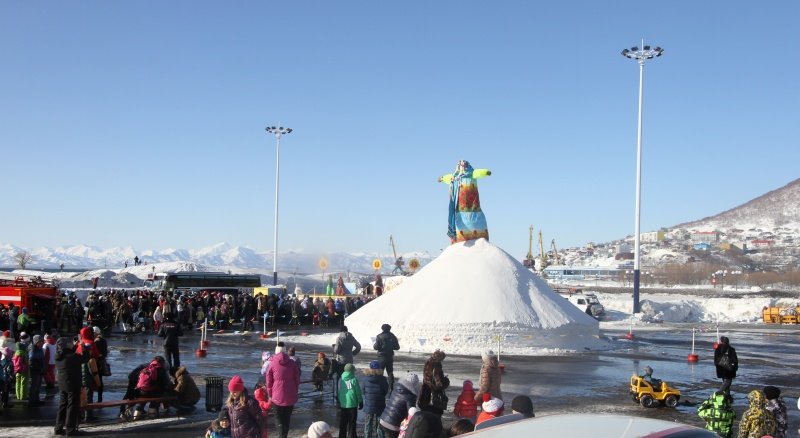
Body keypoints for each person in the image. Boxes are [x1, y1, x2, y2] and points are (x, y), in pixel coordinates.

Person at [438, 160, 492, 243]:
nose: (462, 167)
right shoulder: (454, 177)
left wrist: (486, 172)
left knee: (473, 216)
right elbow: (447, 177)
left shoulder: (471, 173)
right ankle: (460, 238)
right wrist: (442, 178)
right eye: (461, 165)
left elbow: (479, 172)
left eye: (464, 165)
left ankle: (478, 237)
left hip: (472, 204)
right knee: (460, 219)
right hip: (460, 205)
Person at [54, 336, 90, 436]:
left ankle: (58, 427)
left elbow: (69, 353)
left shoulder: (59, 355)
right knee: (72, 407)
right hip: (73, 384)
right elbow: (85, 358)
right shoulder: (72, 357)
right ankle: (70, 429)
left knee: (62, 405)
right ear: (66, 345)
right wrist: (83, 347)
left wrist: (74, 346)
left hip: (62, 384)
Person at [266, 342, 300, 438]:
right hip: (290, 395)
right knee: (287, 418)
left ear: (276, 351)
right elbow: (297, 378)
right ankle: (284, 435)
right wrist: (295, 390)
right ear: (285, 351)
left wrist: (270, 393)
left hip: (276, 395)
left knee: (278, 418)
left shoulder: (272, 363)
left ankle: (282, 435)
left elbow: (269, 380)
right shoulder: (292, 363)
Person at [380, 373, 422, 438]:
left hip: (383, 420)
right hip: (393, 425)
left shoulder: (397, 388)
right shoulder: (410, 396)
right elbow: (411, 412)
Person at [362, 360, 390, 438]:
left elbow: (363, 391)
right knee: (380, 424)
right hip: (380, 404)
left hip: (368, 405)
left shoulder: (365, 379)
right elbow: (386, 390)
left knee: (368, 424)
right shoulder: (383, 379)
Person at [418, 350, 450, 416]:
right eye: (442, 359)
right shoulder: (436, 365)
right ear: (440, 358)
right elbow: (439, 383)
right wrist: (446, 381)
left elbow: (427, 377)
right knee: (435, 413)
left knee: (425, 411)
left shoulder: (428, 362)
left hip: (425, 389)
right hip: (433, 393)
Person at [338, 363, 363, 438]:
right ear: (351, 371)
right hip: (352, 404)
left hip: (344, 404)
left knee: (343, 422)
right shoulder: (354, 379)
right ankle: (352, 436)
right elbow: (358, 392)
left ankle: (341, 436)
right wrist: (360, 401)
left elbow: (338, 391)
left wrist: (340, 401)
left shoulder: (340, 379)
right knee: (352, 422)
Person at [374, 323, 400, 390]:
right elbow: (397, 347)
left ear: (382, 328)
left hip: (381, 357)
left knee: (380, 372)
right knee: (390, 372)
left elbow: (376, 347)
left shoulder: (379, 336)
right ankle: (391, 386)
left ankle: (379, 386)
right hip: (389, 357)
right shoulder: (393, 336)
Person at [27, 334, 45, 407]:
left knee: (38, 386)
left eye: (42, 342)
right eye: (40, 342)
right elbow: (31, 359)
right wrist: (38, 367)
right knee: (34, 386)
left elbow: (41, 357)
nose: (42, 343)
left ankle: (36, 400)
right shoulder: (32, 348)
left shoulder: (39, 348)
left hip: (40, 369)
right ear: (36, 342)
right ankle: (31, 402)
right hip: (35, 369)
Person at [93, 326, 108, 403]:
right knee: (99, 381)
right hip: (101, 363)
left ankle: (91, 400)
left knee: (94, 380)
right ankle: (100, 399)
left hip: (95, 363)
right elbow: (105, 353)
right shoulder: (103, 340)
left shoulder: (96, 341)